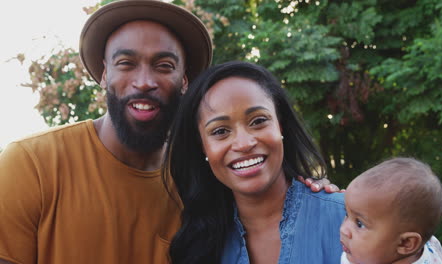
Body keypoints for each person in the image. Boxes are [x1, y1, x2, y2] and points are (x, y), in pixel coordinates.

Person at [0, 1, 335, 263]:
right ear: (103, 75)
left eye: (164, 66)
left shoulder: (202, 186)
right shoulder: (31, 164)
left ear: (184, 82)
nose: (144, 81)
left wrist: (326, 202)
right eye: (126, 63)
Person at [163, 61, 346, 263]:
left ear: (280, 125)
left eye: (258, 121)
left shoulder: (348, 220)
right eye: (220, 131)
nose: (243, 144)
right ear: (202, 147)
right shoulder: (194, 241)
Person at [340, 157, 442, 264]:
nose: (343, 229)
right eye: (347, 214)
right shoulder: (430, 245)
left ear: (405, 243)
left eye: (360, 224)